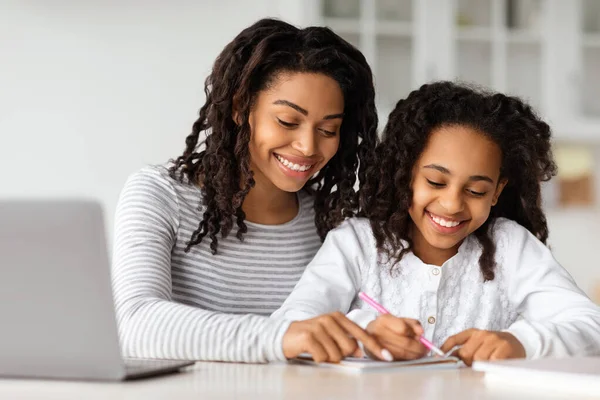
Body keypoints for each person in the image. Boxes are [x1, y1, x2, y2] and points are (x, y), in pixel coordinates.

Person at [111, 18, 386, 363]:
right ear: (241, 108)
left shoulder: (332, 223)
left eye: (328, 130)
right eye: (287, 121)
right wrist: (282, 337)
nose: (307, 146)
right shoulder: (160, 195)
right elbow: (135, 326)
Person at [272, 81, 600, 366]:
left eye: (476, 190)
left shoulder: (511, 247)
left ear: (497, 191)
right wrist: (364, 332)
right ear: (407, 175)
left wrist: (521, 343)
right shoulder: (356, 244)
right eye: (435, 182)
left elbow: (590, 327)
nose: (453, 204)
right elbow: (289, 326)